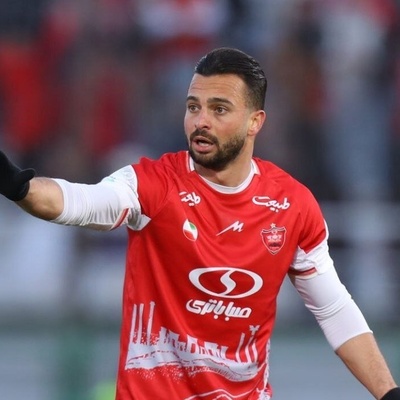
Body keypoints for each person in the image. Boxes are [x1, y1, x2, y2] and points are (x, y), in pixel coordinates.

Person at [0, 47, 398, 400]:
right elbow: (77, 202)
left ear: (255, 121)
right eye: (193, 107)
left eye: (219, 109)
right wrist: (17, 185)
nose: (200, 121)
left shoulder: (292, 205)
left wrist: (388, 392)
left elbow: (333, 309)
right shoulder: (152, 185)